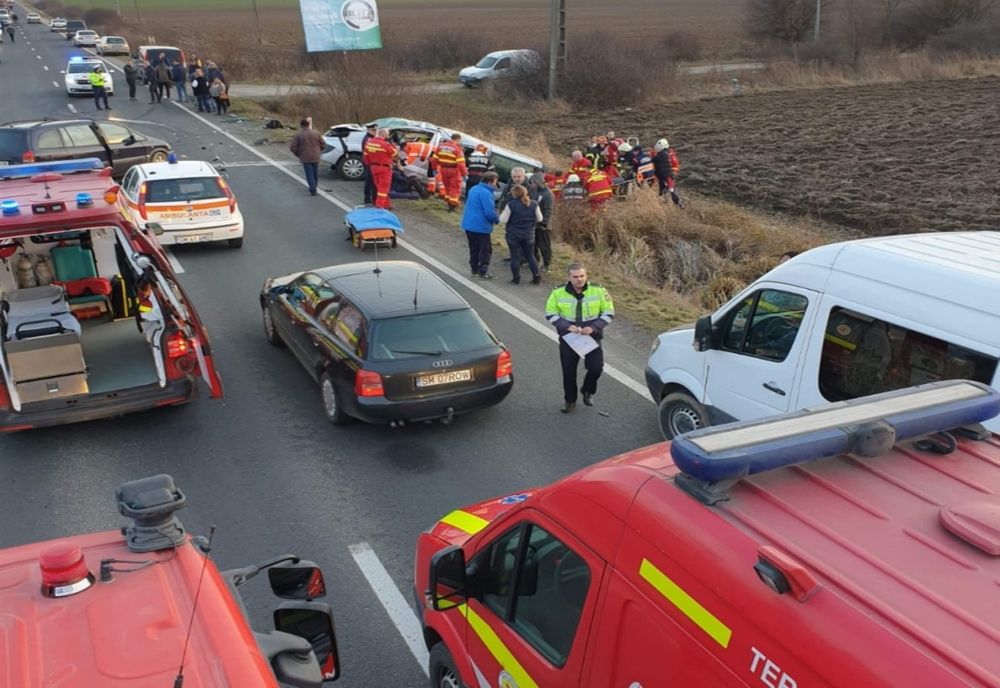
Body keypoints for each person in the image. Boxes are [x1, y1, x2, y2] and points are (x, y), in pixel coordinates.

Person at [545, 262, 614, 413]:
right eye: (575, 277)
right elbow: (550, 314)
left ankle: (588, 390)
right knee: (569, 372)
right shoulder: (558, 292)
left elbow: (609, 312)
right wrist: (567, 326)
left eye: (582, 276)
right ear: (568, 277)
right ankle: (570, 401)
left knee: (596, 368)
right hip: (569, 338)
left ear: (586, 276)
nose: (579, 279)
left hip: (592, 337)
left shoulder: (599, 290)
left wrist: (594, 328)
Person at [499, 185, 542, 285]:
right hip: (529, 235)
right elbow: (540, 219)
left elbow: (503, 220)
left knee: (515, 257)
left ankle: (516, 278)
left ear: (514, 194)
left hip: (513, 235)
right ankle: (536, 277)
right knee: (530, 256)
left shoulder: (511, 204)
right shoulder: (534, 204)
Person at [460, 171, 500, 279]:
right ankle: (483, 271)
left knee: (473, 248)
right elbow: (489, 212)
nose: (496, 185)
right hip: (481, 226)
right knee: (485, 249)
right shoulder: (486, 193)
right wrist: (496, 220)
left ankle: (474, 269)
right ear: (490, 182)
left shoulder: (474, 189)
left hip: (469, 224)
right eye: (495, 182)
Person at [289, 117, 324, 196]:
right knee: (315, 173)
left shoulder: (299, 135)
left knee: (309, 174)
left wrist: (298, 154)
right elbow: (323, 144)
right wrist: (319, 151)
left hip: (305, 157)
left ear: (301, 125)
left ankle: (313, 189)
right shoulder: (316, 133)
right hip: (316, 156)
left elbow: (292, 147)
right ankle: (315, 186)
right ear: (308, 125)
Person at [363, 128, 397, 209]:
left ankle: (387, 204)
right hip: (384, 168)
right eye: (387, 134)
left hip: (373, 167)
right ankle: (380, 206)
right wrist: (391, 143)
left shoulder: (369, 142)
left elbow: (365, 156)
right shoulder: (385, 144)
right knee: (383, 189)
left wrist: (369, 165)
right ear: (384, 134)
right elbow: (394, 153)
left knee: (379, 187)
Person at [528, 172, 554, 273]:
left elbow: (549, 210)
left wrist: (545, 223)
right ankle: (535, 261)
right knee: (533, 244)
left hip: (544, 225)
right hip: (534, 223)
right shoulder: (534, 191)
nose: (532, 185)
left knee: (545, 246)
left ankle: (546, 264)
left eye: (533, 183)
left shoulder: (548, 194)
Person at [433, 133, 465, 212]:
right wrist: (464, 173)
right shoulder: (457, 149)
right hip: (454, 170)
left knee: (447, 187)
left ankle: (448, 203)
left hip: (443, 169)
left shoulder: (441, 146)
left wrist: (434, 168)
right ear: (458, 139)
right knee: (455, 187)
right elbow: (461, 164)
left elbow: (434, 159)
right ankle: (452, 206)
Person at [653, 138, 682, 206]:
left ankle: (679, 205)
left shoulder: (662, 155)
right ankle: (664, 204)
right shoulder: (666, 154)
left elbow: (654, 159)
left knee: (671, 190)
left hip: (666, 176)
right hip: (664, 176)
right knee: (664, 190)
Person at [361, 122, 377, 205]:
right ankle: (368, 198)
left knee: (370, 181)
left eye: (375, 130)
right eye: (373, 130)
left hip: (370, 162)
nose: (375, 132)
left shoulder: (370, 138)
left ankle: (369, 198)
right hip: (369, 163)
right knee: (370, 181)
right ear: (369, 130)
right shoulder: (368, 139)